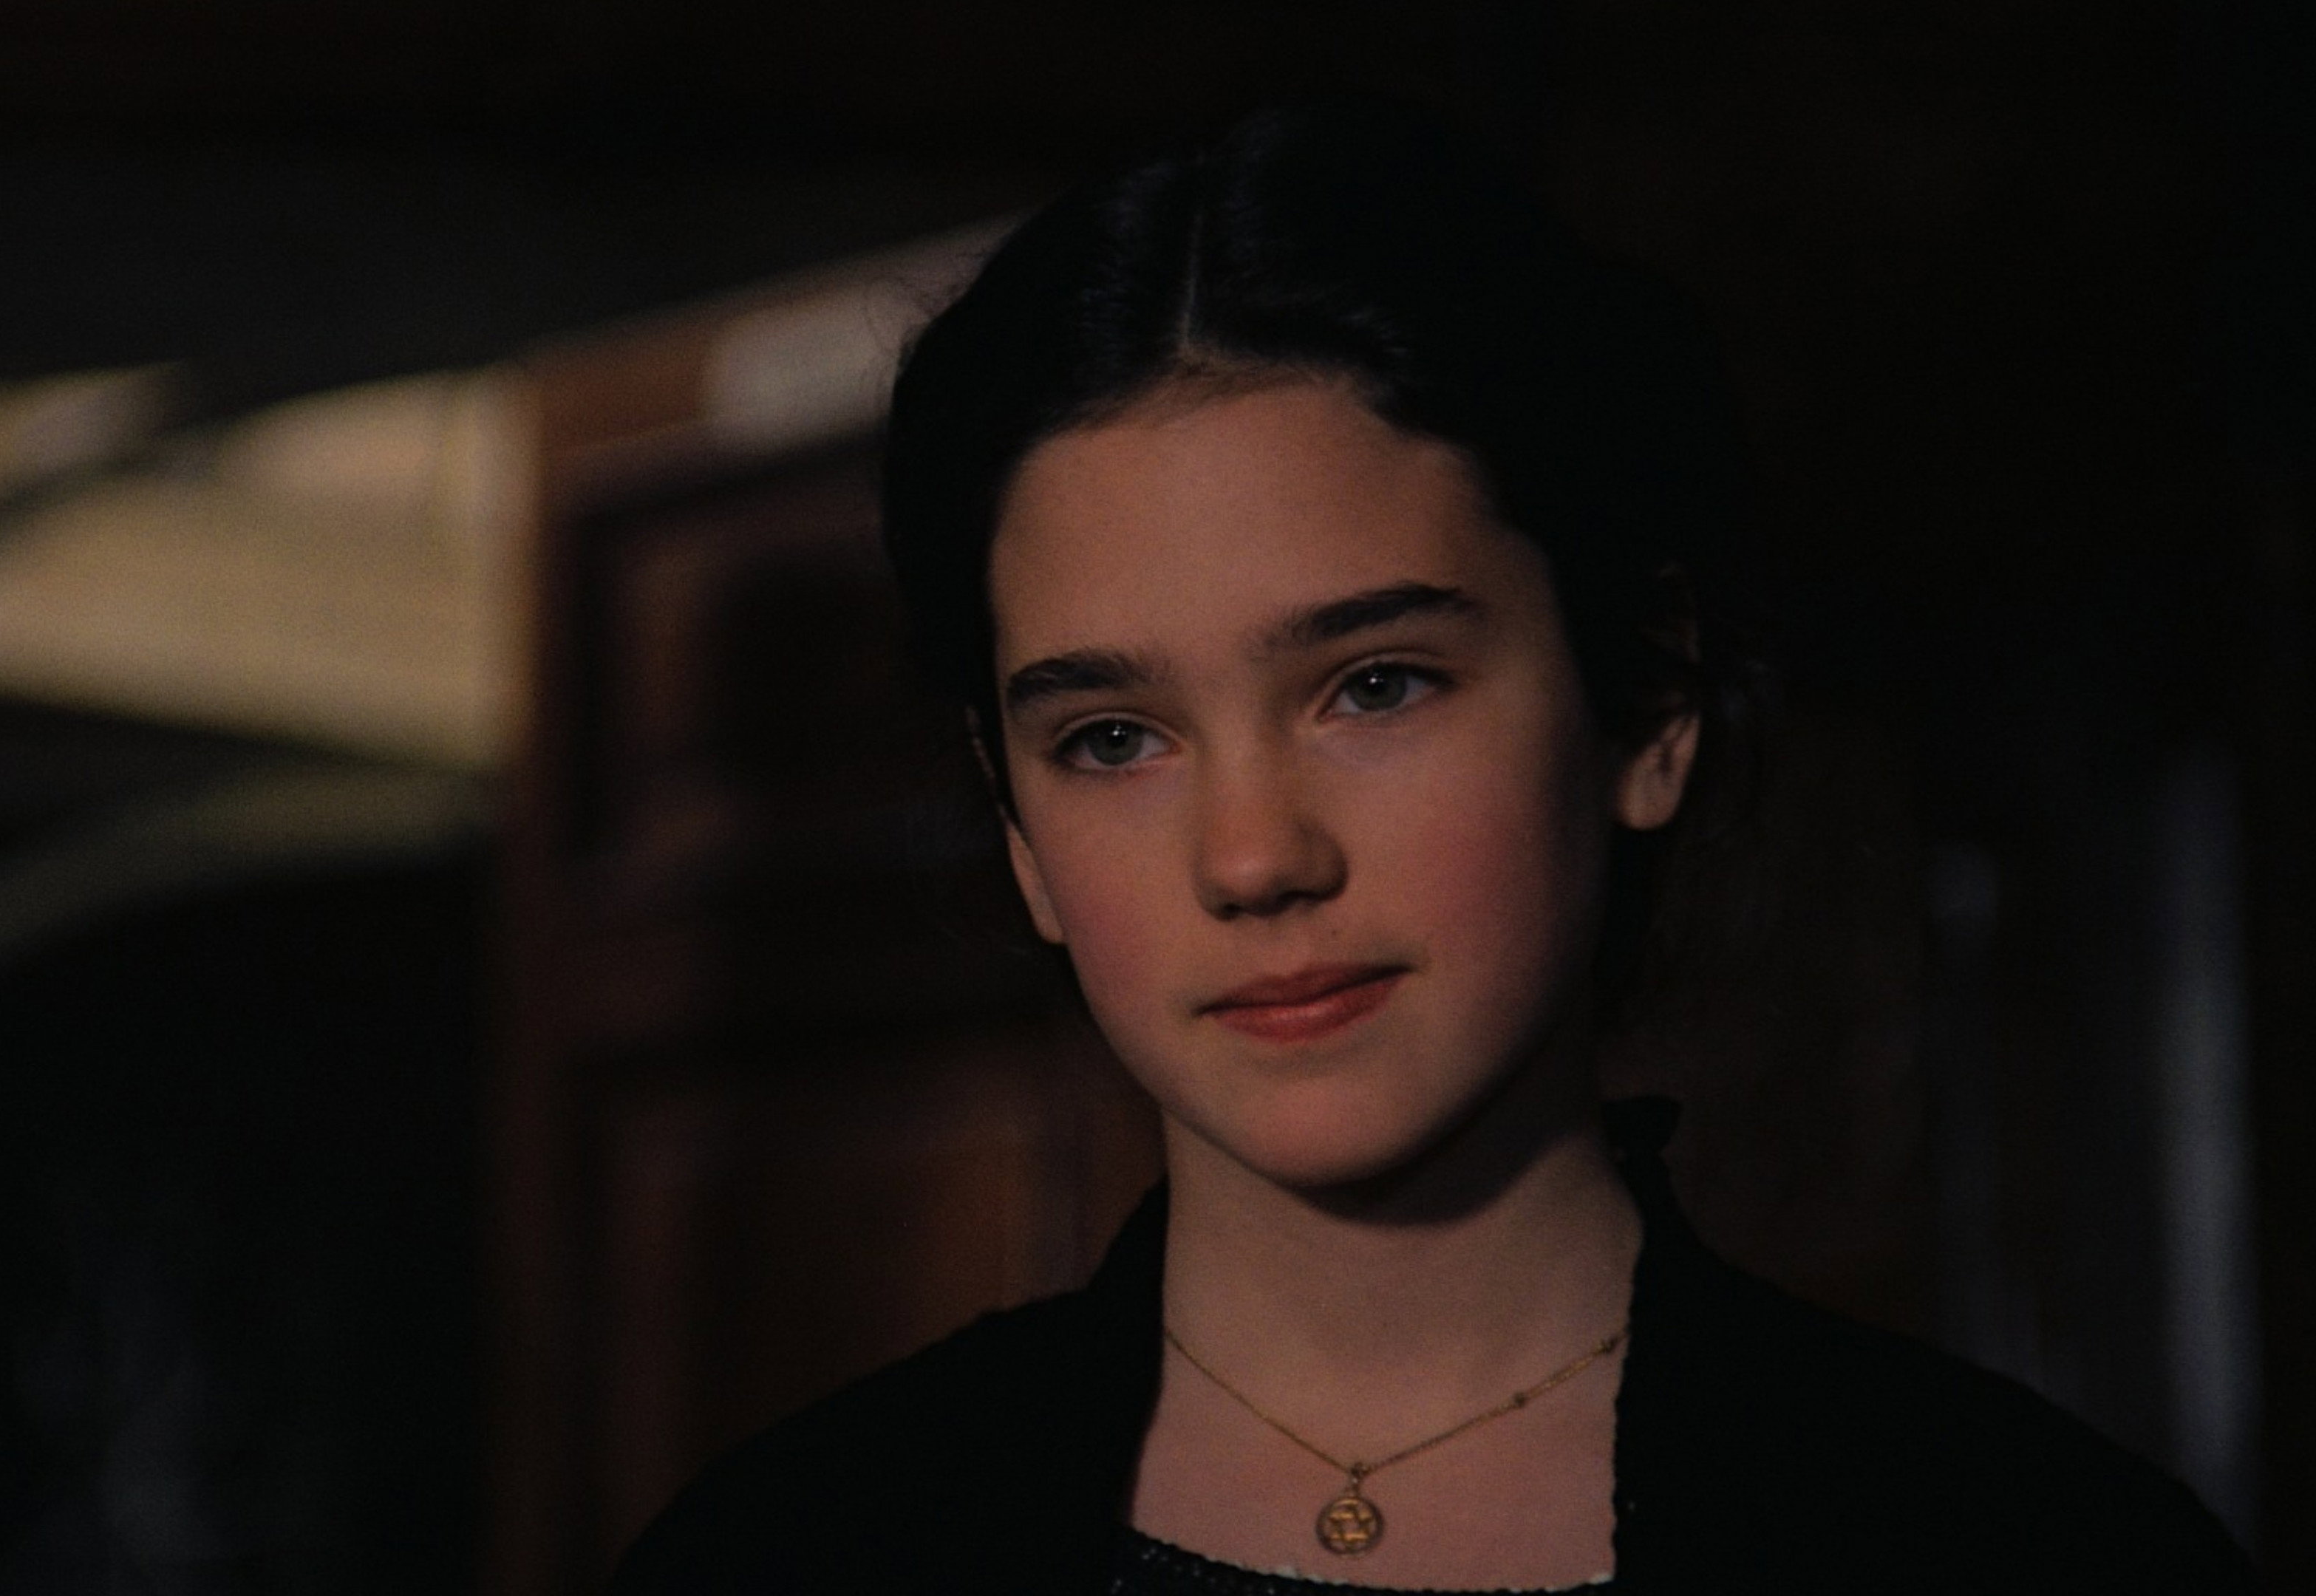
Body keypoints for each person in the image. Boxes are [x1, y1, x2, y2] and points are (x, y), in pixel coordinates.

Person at [609, 104, 2254, 1595]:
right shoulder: (792, 1558)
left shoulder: (2032, 1554)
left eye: (1374, 686)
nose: (1253, 859)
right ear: (1018, 829)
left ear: (1645, 710)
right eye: (1112, 738)